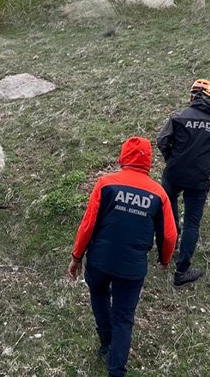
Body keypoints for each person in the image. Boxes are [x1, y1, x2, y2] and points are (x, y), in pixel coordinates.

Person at [68, 137, 177, 377]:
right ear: (148, 160)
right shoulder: (159, 193)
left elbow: (87, 225)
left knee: (98, 295)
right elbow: (169, 235)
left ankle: (106, 342)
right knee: (124, 318)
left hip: (99, 261)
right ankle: (116, 371)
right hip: (132, 268)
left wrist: (77, 256)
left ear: (123, 156)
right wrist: (165, 259)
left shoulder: (106, 184)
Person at [157, 79, 210, 287]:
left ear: (192, 96)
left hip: (173, 172)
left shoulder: (178, 116)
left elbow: (162, 140)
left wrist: (171, 157)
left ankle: (171, 241)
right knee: (193, 222)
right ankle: (182, 271)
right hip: (198, 178)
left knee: (168, 205)